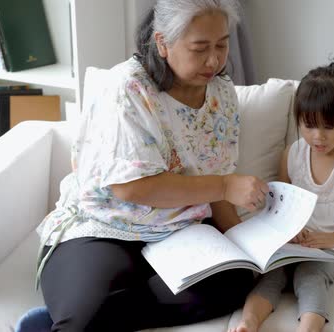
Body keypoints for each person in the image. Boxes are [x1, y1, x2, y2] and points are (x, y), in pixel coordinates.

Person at [16, 1, 270, 331]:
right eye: (200, 48)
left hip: (181, 232)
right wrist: (225, 186)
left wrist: (245, 243)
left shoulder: (222, 92)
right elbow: (131, 186)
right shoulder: (128, 87)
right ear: (162, 43)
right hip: (108, 224)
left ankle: (70, 318)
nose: (215, 60)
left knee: (235, 283)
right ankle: (75, 316)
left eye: (222, 44)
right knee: (81, 317)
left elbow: (217, 173)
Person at [230, 63, 334, 332]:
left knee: (309, 274)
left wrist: (331, 240)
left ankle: (308, 329)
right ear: (298, 120)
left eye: (329, 127)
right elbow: (279, 206)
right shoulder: (292, 154)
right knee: (271, 274)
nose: (318, 136)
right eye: (309, 126)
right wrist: (288, 233)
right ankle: (247, 323)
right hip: (296, 242)